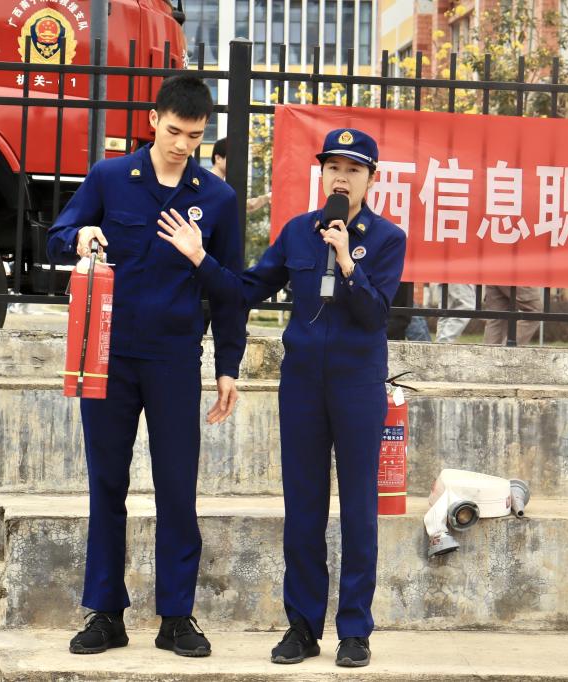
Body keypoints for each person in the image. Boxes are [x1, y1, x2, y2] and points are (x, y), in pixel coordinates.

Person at [158, 128, 406, 668]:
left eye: (353, 170)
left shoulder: (387, 238)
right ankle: (302, 627)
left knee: (358, 511)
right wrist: (201, 259)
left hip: (358, 386)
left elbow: (376, 316)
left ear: (371, 178)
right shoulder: (297, 232)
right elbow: (246, 290)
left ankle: (355, 631)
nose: (341, 178)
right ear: (322, 173)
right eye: (333, 167)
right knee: (303, 509)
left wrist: (347, 260)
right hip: (302, 387)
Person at [46, 75, 245, 658]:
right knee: (106, 484)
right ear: (154, 120)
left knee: (177, 489)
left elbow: (231, 293)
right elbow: (57, 236)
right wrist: (79, 236)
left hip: (175, 360)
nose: (183, 145)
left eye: (195, 136)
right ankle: (105, 613)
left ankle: (177, 617)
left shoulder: (217, 199)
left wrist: (228, 365)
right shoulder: (110, 178)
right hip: (106, 355)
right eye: (175, 131)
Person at [209, 137, 271, 212]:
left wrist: (267, 197)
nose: (237, 163)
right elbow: (244, 205)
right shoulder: (209, 184)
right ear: (218, 158)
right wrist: (267, 197)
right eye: (233, 158)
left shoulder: (217, 184)